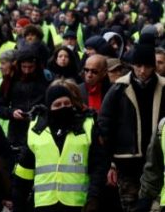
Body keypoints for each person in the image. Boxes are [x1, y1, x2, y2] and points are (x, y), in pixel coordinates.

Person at [13, 81, 107, 212]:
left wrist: (94, 197)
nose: (63, 107)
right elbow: (24, 171)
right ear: (49, 107)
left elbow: (98, 166)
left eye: (67, 103)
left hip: (78, 204)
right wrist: (19, 203)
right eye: (57, 105)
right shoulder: (36, 130)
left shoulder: (87, 126)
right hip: (44, 203)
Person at [98, 42, 165, 211]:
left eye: (148, 66)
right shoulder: (118, 89)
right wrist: (110, 164)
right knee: (132, 206)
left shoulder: (163, 88)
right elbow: (106, 128)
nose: (142, 71)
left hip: (159, 161)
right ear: (133, 65)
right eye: (138, 66)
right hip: (127, 163)